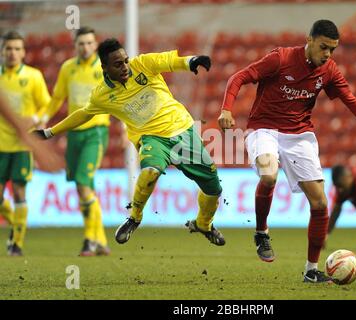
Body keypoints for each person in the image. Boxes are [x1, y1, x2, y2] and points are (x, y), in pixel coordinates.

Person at [218, 20, 356, 283]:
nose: (327, 54)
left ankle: (311, 270)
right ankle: (261, 232)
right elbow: (239, 77)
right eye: (324, 47)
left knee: (320, 202)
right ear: (310, 40)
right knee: (269, 175)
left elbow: (350, 99)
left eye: (332, 50)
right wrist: (226, 109)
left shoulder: (329, 70)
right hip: (264, 128)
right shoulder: (280, 59)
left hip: (300, 135)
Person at [35, 38, 226, 247]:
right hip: (151, 137)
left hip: (183, 130)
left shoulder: (142, 64)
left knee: (213, 189)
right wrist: (50, 132)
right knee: (150, 172)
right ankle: (134, 217)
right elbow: (83, 114)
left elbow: (172, 62)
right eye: (118, 64)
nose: (125, 67)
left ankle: (203, 224)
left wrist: (192, 61)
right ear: (104, 67)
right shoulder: (102, 95)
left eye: (125, 61)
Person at [37, 27, 111, 256]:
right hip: (74, 133)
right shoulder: (68, 68)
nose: (86, 47)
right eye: (81, 43)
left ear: (95, 44)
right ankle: (101, 241)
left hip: (96, 132)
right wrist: (44, 118)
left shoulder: (104, 68)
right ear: (75, 45)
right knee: (84, 188)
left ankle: (90, 239)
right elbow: (58, 97)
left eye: (90, 43)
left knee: (82, 183)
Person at [0, 31, 51, 256]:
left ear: (23, 52)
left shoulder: (33, 76)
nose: (12, 53)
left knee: (19, 192)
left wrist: (36, 120)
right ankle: (16, 224)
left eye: (17, 49)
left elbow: (46, 107)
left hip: (22, 145)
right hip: (0, 144)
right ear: (2, 51)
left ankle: (17, 243)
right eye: (8, 48)